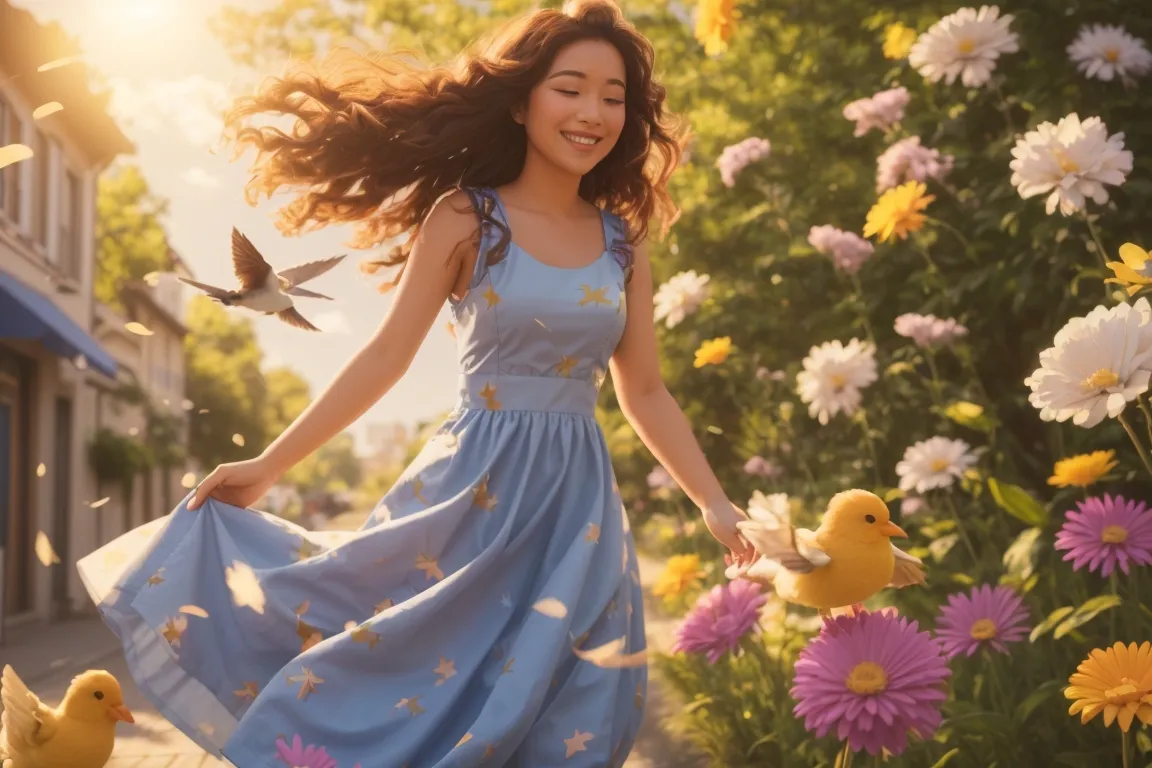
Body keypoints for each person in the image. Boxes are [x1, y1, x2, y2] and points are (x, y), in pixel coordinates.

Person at [76, 1, 757, 765]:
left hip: (579, 518)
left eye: (613, 95)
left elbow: (646, 393)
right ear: (521, 97)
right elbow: (384, 358)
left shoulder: (620, 244)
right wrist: (269, 465)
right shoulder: (467, 219)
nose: (592, 112)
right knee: (407, 681)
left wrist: (716, 504)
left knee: (580, 712)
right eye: (570, 88)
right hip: (470, 499)